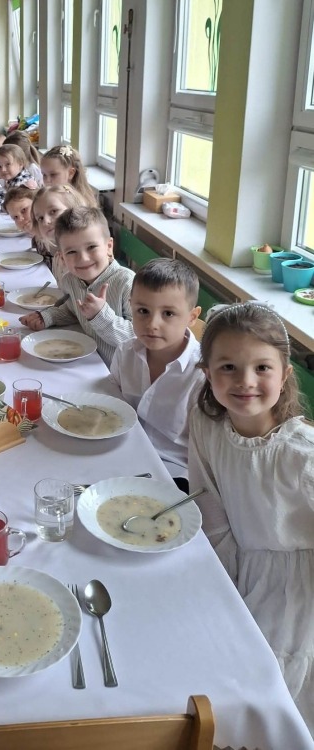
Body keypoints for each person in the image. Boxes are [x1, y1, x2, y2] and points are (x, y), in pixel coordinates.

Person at [188, 301, 314, 730]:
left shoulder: (302, 455)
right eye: (228, 367)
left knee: (266, 693)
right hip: (231, 562)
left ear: (285, 374)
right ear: (207, 373)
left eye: (262, 368)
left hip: (293, 591)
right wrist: (221, 582)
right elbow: (209, 502)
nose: (245, 381)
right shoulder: (205, 423)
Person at [110, 259, 203, 487]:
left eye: (168, 313)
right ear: (131, 306)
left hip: (174, 473)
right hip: (122, 456)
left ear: (192, 317)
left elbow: (206, 452)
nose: (152, 324)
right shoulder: (125, 353)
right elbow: (113, 409)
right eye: (143, 311)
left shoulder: (203, 374)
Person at [20, 207, 134, 365]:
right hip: (85, 362)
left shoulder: (127, 282)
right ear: (62, 257)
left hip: (119, 372)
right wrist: (48, 317)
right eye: (71, 252)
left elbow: (137, 338)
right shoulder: (70, 281)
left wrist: (100, 315)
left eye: (91, 247)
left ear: (109, 246)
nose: (83, 258)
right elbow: (72, 311)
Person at [30, 184, 89, 279]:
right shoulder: (56, 252)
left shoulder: (87, 253)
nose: (46, 221)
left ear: (74, 208)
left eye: (53, 211)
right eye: (40, 218)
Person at [0, 144, 36, 211]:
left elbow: (6, 207)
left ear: (20, 164)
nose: (3, 169)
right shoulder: (16, 177)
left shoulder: (21, 182)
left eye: (8, 164)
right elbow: (7, 196)